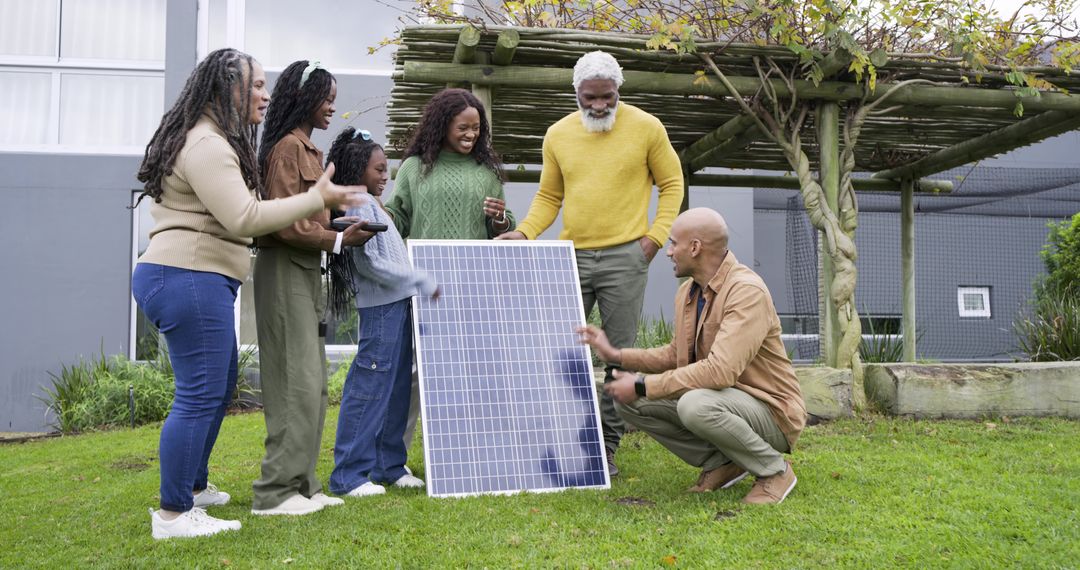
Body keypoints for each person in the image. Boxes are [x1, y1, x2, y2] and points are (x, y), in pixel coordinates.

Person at [131, 48, 364, 539]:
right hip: (187, 275)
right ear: (225, 89)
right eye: (256, 85)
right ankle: (174, 514)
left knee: (214, 390)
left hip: (193, 276)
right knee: (198, 396)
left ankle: (193, 488)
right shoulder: (207, 145)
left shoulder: (212, 140)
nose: (265, 93)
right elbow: (245, 218)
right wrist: (316, 199)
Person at [497, 51, 684, 476]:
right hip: (571, 257)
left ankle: (606, 449)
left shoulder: (647, 128)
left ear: (619, 91)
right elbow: (549, 197)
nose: (599, 105)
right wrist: (525, 232)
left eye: (608, 96)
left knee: (618, 358)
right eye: (590, 97)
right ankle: (561, 439)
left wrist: (654, 239)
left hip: (626, 258)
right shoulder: (558, 135)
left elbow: (672, 183)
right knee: (564, 352)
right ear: (575, 93)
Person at [577, 208, 806, 504]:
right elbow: (676, 354)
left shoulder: (746, 292)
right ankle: (722, 463)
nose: (668, 252)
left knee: (694, 404)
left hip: (770, 412)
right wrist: (616, 354)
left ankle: (775, 471)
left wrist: (643, 384)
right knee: (628, 402)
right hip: (723, 402)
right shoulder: (688, 292)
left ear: (695, 248)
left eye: (674, 244)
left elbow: (719, 373)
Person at [250, 60, 373, 516]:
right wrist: (338, 238)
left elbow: (307, 218)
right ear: (304, 99)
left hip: (305, 270)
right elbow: (284, 223)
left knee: (314, 383)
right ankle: (273, 492)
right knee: (294, 381)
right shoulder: (286, 149)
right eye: (326, 98)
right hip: (284, 269)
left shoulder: (308, 150)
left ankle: (302, 483)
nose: (331, 108)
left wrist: (339, 225)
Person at [384, 87, 515, 454]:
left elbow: (503, 226)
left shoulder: (486, 172)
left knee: (469, 371)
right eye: (463, 128)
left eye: (476, 128)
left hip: (472, 284)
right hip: (423, 285)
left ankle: (465, 451)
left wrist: (501, 219)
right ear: (442, 126)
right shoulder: (414, 168)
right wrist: (377, 211)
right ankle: (395, 457)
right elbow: (399, 215)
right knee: (412, 373)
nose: (471, 135)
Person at [325, 127, 439, 498]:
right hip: (382, 310)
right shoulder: (357, 203)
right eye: (378, 169)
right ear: (359, 169)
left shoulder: (373, 204)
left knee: (395, 389)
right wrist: (417, 278)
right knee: (371, 388)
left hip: (398, 305)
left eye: (385, 168)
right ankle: (349, 476)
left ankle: (389, 465)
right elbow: (372, 264)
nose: (384, 174)